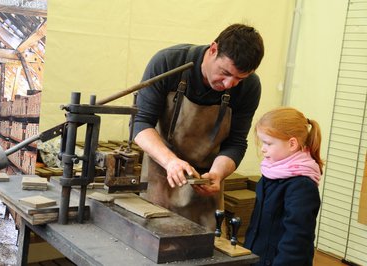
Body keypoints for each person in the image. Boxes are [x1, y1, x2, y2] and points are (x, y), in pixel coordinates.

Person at [132, 23, 264, 229]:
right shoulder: (169, 62)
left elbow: (236, 142)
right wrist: (171, 162)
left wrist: (218, 173)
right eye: (225, 72)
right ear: (213, 49)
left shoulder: (250, 87)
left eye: (239, 78)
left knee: (203, 250)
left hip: (206, 183)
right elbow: (140, 124)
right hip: (162, 174)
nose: (229, 84)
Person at [244, 107, 323, 266]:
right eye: (262, 142)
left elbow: (297, 239)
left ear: (292, 144)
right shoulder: (270, 174)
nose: (263, 148)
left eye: (268, 143)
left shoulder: (302, 186)